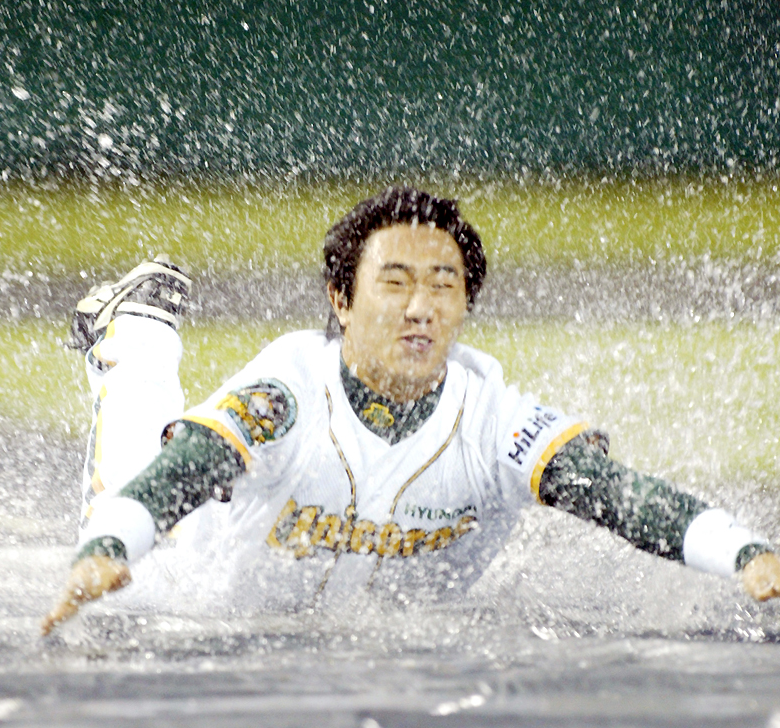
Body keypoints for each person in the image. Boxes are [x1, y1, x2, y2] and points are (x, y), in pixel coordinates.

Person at [42, 186, 780, 635]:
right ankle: (137, 330)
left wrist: (745, 553)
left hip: (344, 646)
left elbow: (617, 495)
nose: (420, 307)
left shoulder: (493, 419)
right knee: (128, 531)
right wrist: (109, 545)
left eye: (443, 286)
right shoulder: (290, 389)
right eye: (394, 283)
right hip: (196, 574)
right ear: (341, 299)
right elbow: (188, 468)